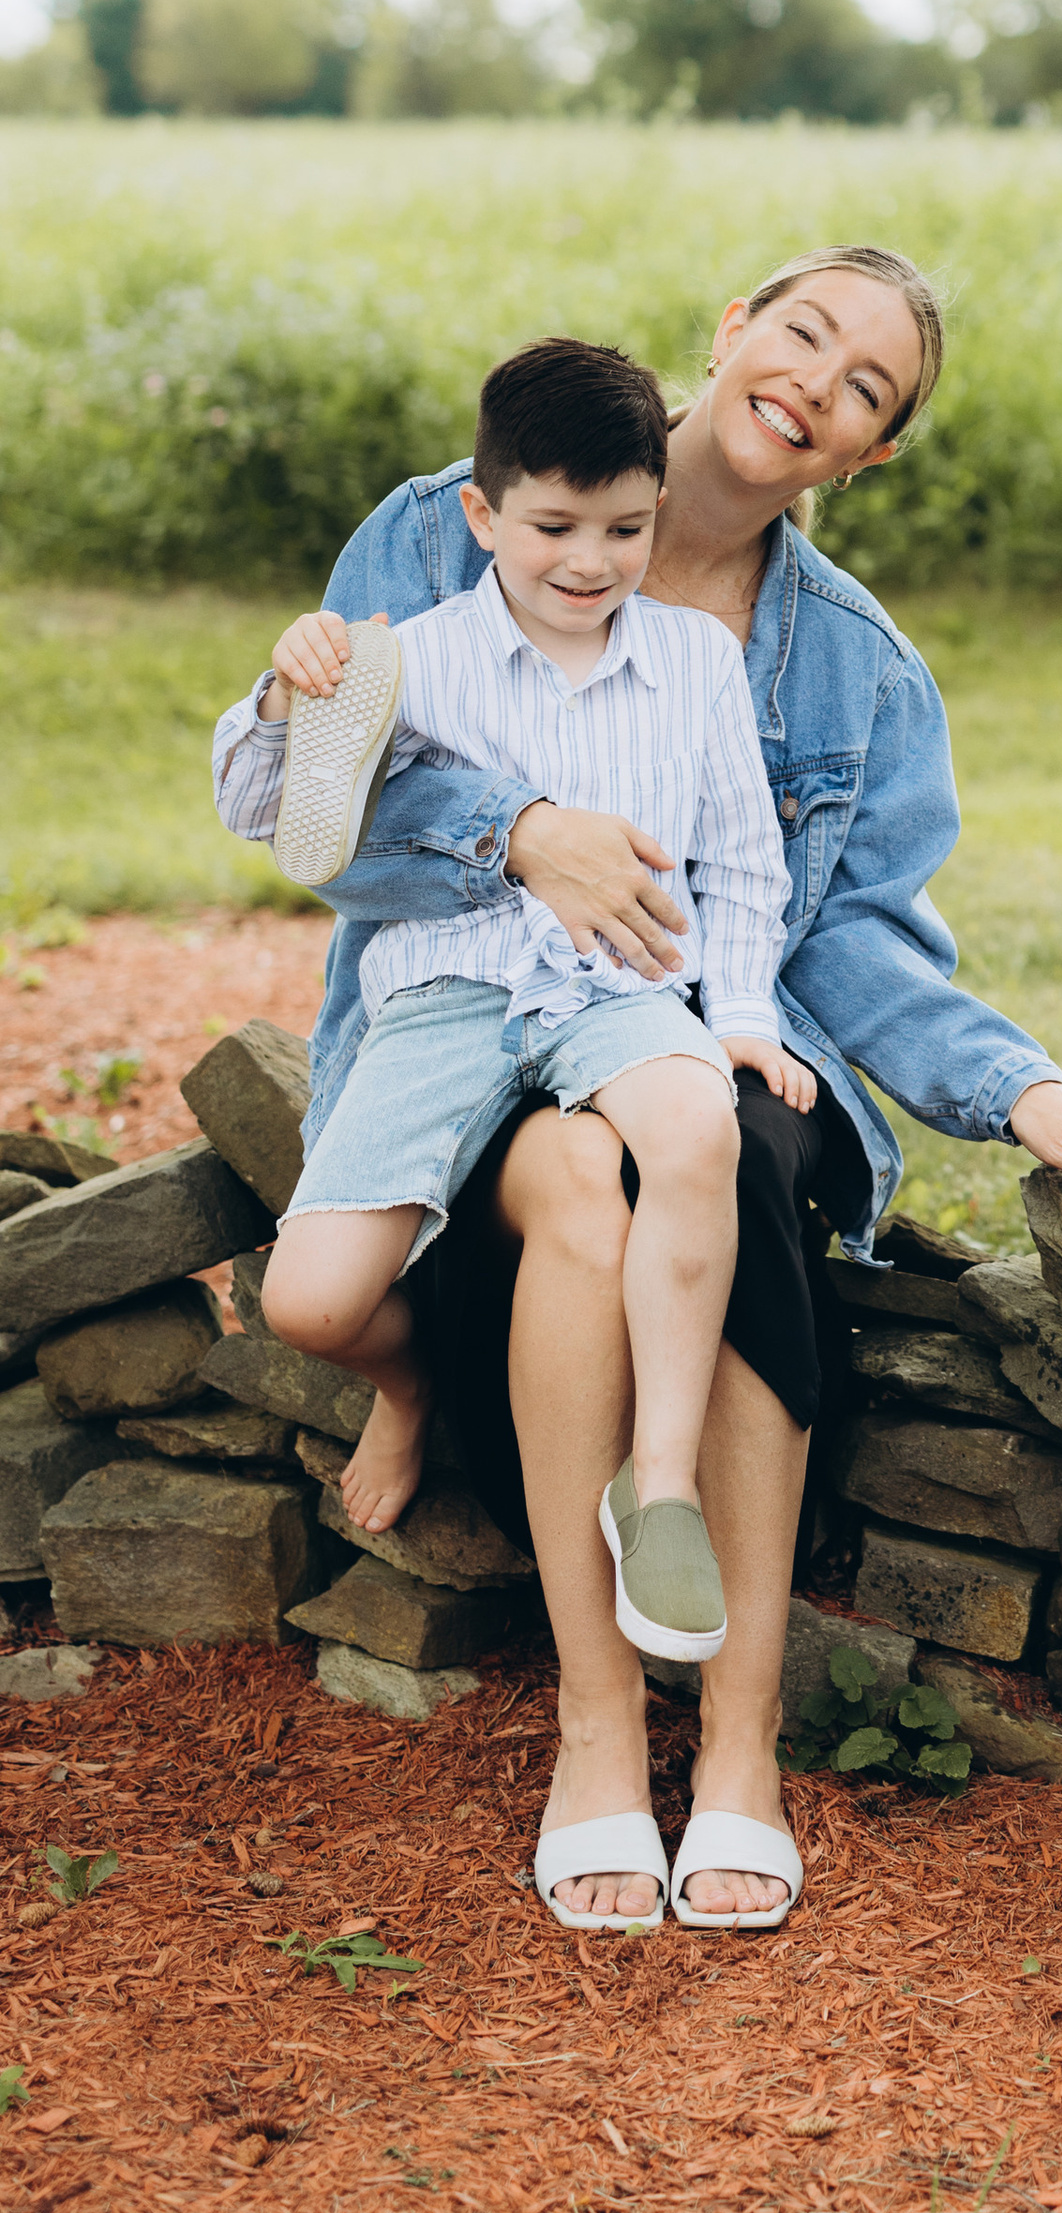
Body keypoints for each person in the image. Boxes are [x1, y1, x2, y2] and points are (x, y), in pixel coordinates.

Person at [290, 246, 1062, 1934]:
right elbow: (316, 812)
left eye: (868, 390)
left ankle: (740, 1749)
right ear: (732, 329)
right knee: (565, 1186)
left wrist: (1021, 1092)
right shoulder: (441, 526)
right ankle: (596, 1725)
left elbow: (851, 939)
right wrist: (514, 833)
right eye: (803, 335)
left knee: (745, 1166)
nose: (817, 384)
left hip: (705, 1025)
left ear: (873, 454)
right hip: (465, 1016)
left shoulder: (850, 667)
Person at [214, 339, 800, 1678]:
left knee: (696, 1130)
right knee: (309, 1303)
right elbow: (268, 816)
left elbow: (744, 862)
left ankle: (659, 1488)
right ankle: (409, 1386)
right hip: (449, 993)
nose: (589, 560)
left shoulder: (698, 663)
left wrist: (747, 1015)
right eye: (552, 526)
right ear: (482, 516)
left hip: (623, 983)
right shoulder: (406, 661)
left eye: (625, 528)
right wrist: (285, 689)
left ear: (660, 513)